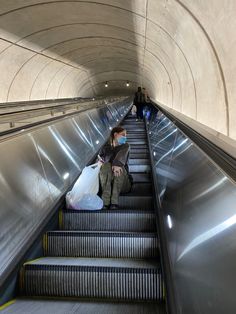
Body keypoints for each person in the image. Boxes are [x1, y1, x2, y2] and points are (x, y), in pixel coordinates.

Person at [98, 127, 132, 210]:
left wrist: (117, 164)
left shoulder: (125, 146)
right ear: (115, 135)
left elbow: (120, 158)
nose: (125, 137)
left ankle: (114, 202)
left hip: (123, 183)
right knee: (106, 166)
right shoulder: (105, 147)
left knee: (120, 167)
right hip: (107, 182)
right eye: (123, 135)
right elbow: (101, 160)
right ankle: (105, 202)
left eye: (126, 135)